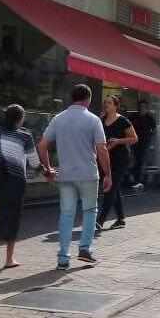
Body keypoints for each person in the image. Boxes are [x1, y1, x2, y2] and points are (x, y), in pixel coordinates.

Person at [38, 84, 111, 270]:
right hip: (88, 173)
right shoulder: (93, 120)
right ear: (88, 99)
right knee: (89, 211)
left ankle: (63, 257)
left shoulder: (58, 119)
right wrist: (108, 174)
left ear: (72, 98)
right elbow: (102, 149)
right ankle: (85, 250)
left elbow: (42, 145)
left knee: (66, 214)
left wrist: (48, 169)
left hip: (66, 174)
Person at [0, 104, 40, 269]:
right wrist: (47, 171)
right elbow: (34, 162)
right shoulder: (25, 136)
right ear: (20, 119)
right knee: (13, 217)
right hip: (15, 180)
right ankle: (9, 259)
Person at [96, 95, 137, 232]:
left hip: (121, 159)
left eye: (109, 103)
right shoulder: (101, 120)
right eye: (105, 103)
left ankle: (100, 220)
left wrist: (118, 141)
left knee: (110, 188)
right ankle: (120, 219)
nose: (106, 105)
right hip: (106, 158)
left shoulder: (123, 120)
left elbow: (134, 138)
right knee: (114, 189)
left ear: (115, 106)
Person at [130, 100, 157, 190]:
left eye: (144, 107)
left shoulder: (149, 118)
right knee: (135, 160)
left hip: (144, 142)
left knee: (141, 160)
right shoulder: (134, 117)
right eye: (140, 107)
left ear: (146, 108)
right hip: (134, 142)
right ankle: (135, 178)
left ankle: (138, 179)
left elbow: (154, 129)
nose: (142, 109)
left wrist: (149, 137)